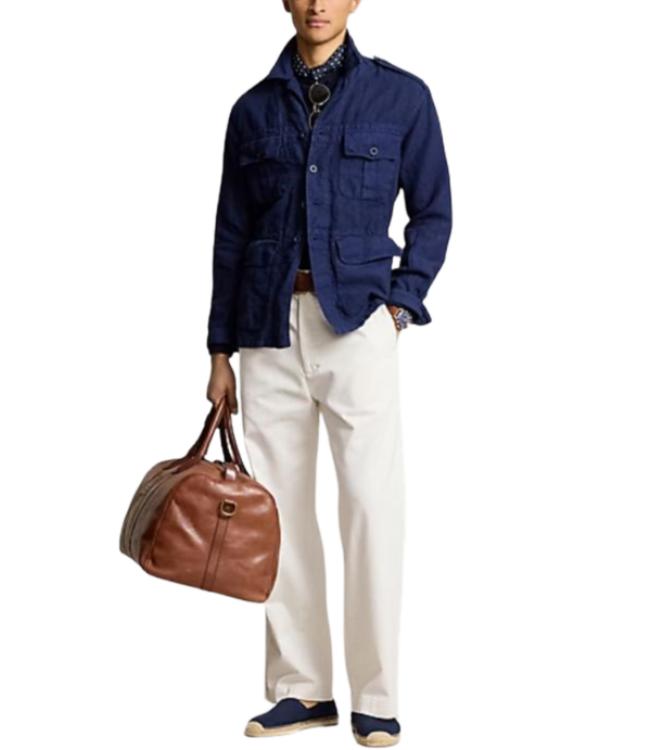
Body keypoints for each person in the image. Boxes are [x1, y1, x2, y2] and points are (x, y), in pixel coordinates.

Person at [205, 1, 452, 745]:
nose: (317, 3)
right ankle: (301, 690)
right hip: (266, 329)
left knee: (371, 509)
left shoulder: (401, 97)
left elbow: (434, 213)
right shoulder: (252, 110)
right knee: (277, 513)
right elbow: (230, 235)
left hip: (358, 326)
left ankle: (376, 697)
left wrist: (400, 306)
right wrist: (219, 351)